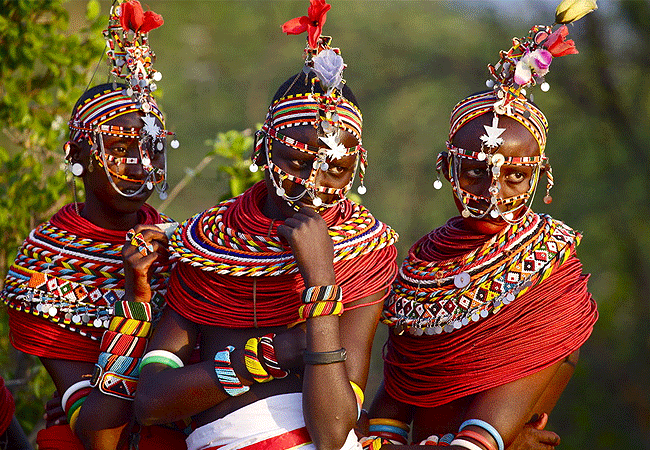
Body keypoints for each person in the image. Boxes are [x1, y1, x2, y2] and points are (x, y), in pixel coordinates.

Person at [133, 2, 398, 450]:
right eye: (296, 162)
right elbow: (153, 400)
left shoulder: (365, 252)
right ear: (262, 150)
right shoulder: (208, 244)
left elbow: (334, 432)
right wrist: (280, 353)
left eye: (334, 170)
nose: (313, 188)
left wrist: (320, 280)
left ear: (358, 168)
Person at [365, 15, 599, 450]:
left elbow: (479, 442)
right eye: (474, 173)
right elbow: (389, 412)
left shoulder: (551, 273)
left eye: (514, 177)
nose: (492, 193)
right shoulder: (420, 269)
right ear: (446, 169)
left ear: (539, 177)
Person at [0, 1, 186, 449]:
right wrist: (135, 299)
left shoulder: (187, 246)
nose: (142, 165)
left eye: (153, 148)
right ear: (77, 155)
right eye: (122, 147)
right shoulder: (42, 267)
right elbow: (99, 433)